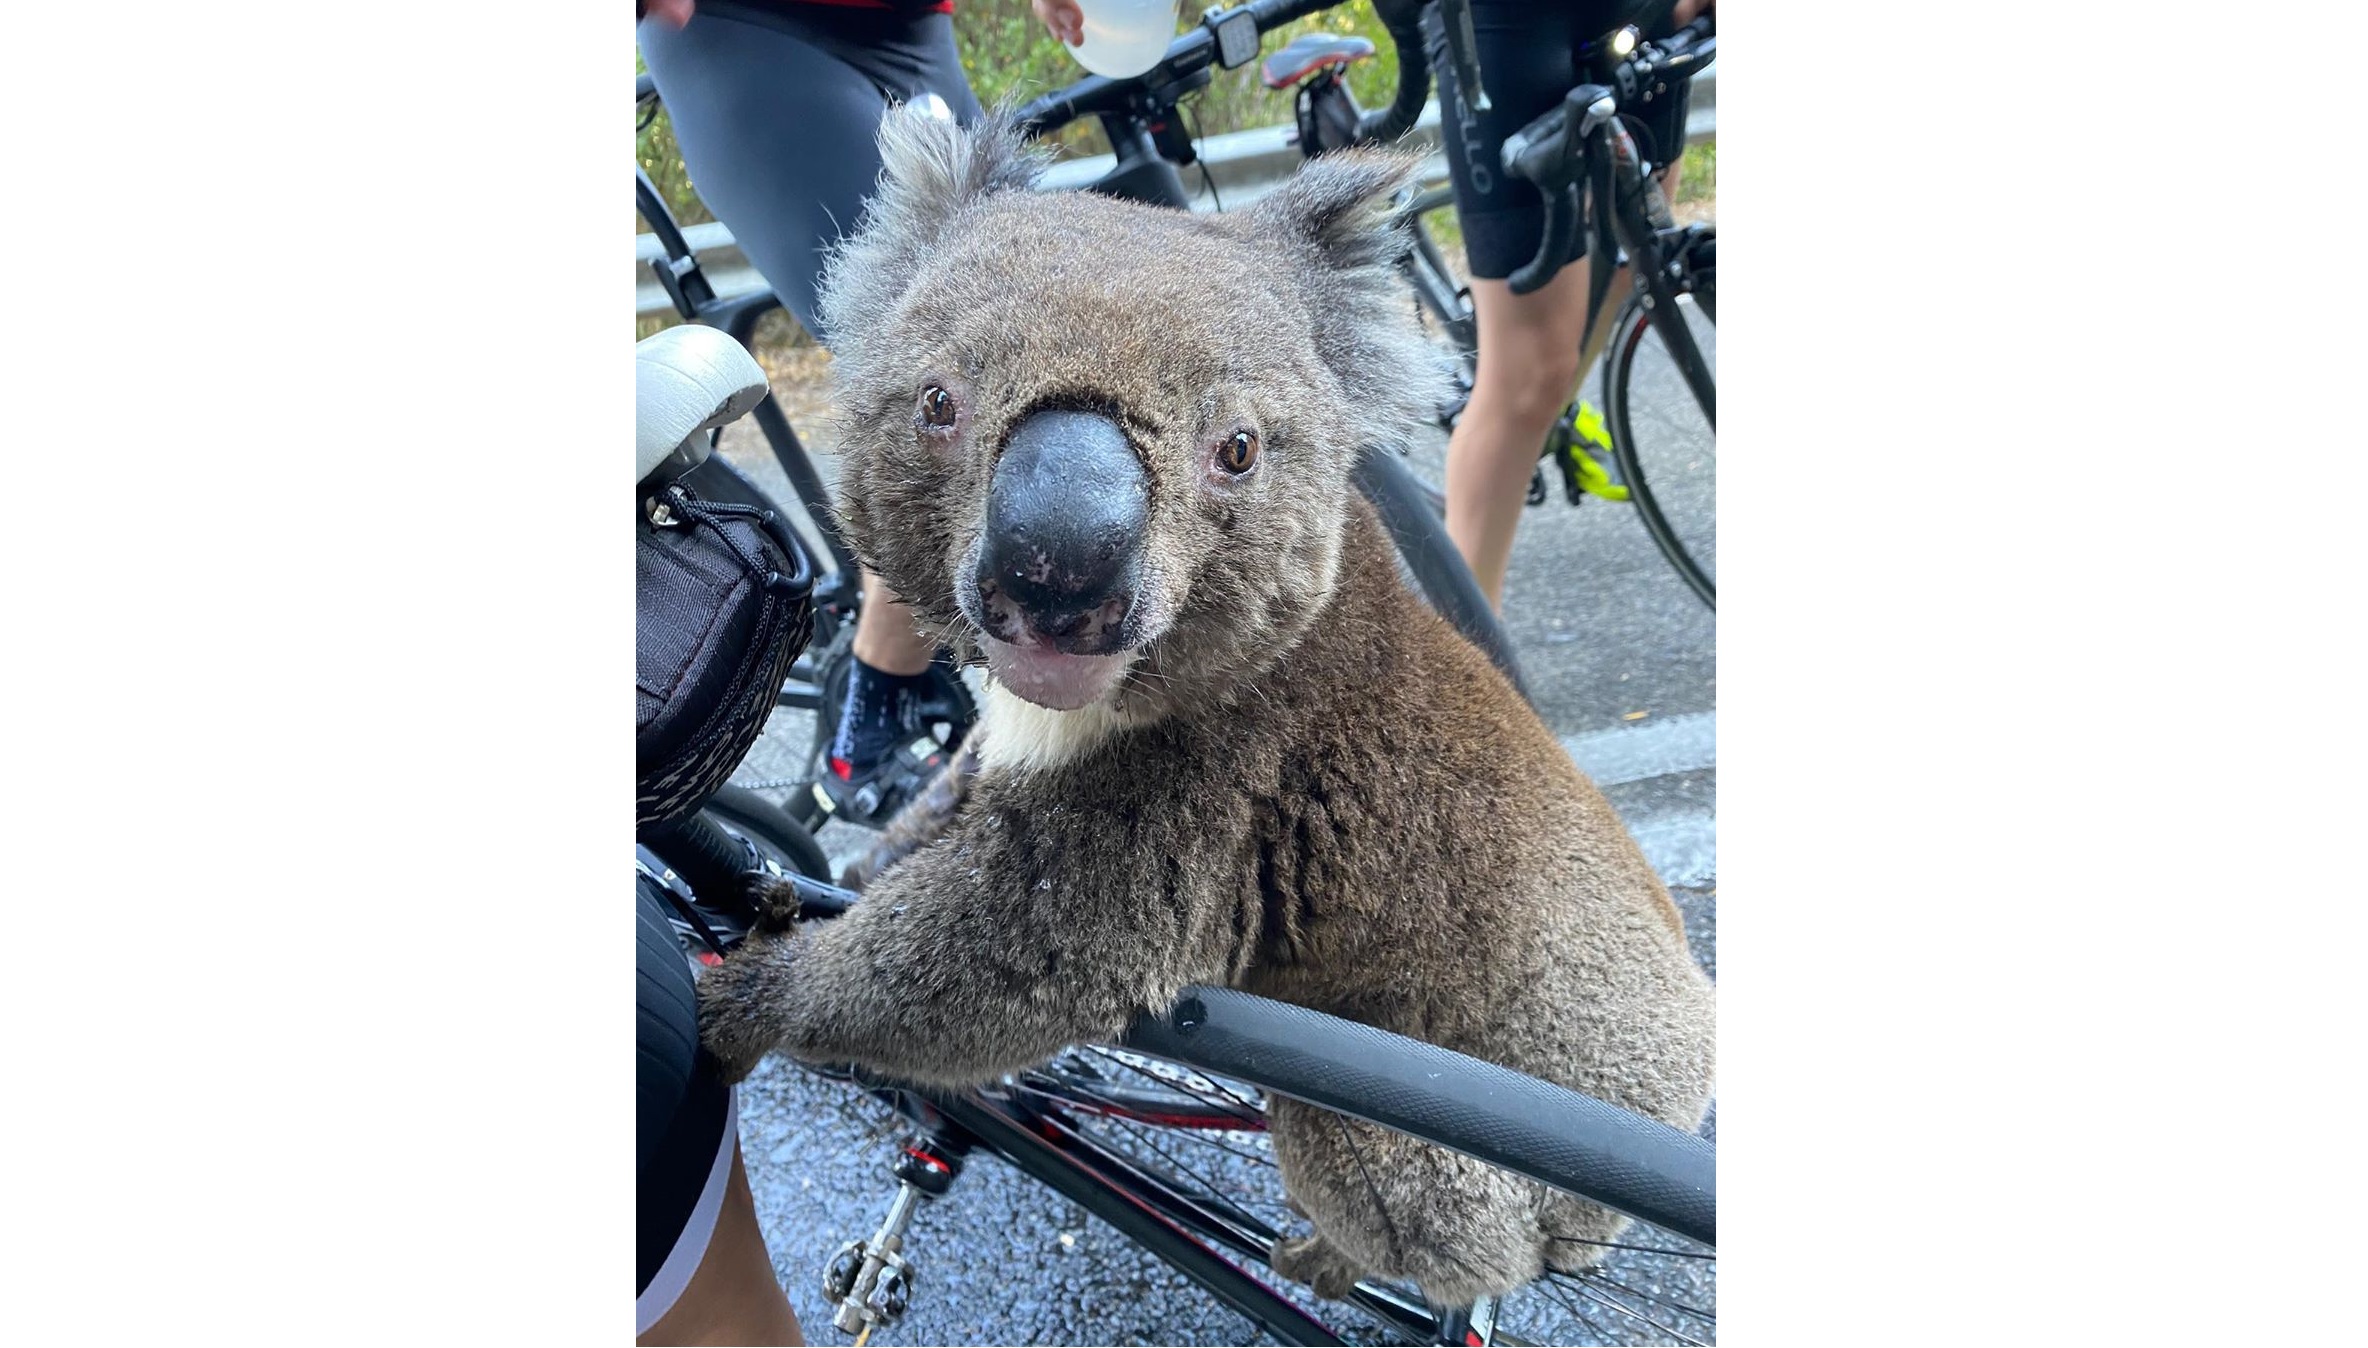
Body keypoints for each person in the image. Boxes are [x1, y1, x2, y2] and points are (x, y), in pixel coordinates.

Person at [639, 0, 987, 828]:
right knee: (949, 374)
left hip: (913, 28)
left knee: (1022, 334)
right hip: (751, 28)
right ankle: (867, 722)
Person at [1424, 0, 1711, 610]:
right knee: (1526, 379)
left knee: (1638, 258)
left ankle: (1539, 421)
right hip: (1507, 22)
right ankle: (1471, 688)